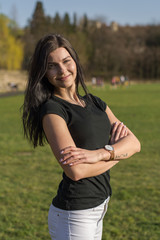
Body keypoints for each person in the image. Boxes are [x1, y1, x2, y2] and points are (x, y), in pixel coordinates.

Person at [22, 34, 141, 240]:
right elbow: (76, 171)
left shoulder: (95, 102)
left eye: (66, 61)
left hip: (100, 205)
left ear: (75, 61)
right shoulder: (53, 111)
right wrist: (117, 155)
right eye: (52, 66)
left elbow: (135, 143)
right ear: (44, 73)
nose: (62, 70)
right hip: (74, 214)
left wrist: (100, 154)